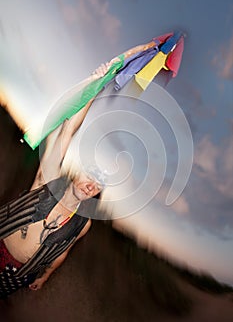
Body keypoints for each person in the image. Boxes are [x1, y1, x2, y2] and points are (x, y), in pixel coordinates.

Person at [0, 38, 158, 298]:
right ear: (77, 174)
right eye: (93, 175)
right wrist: (95, 86)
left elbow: (62, 252)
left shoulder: (83, 223)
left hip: (17, 274)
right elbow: (67, 129)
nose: (93, 184)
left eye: (99, 185)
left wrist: (45, 275)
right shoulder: (48, 180)